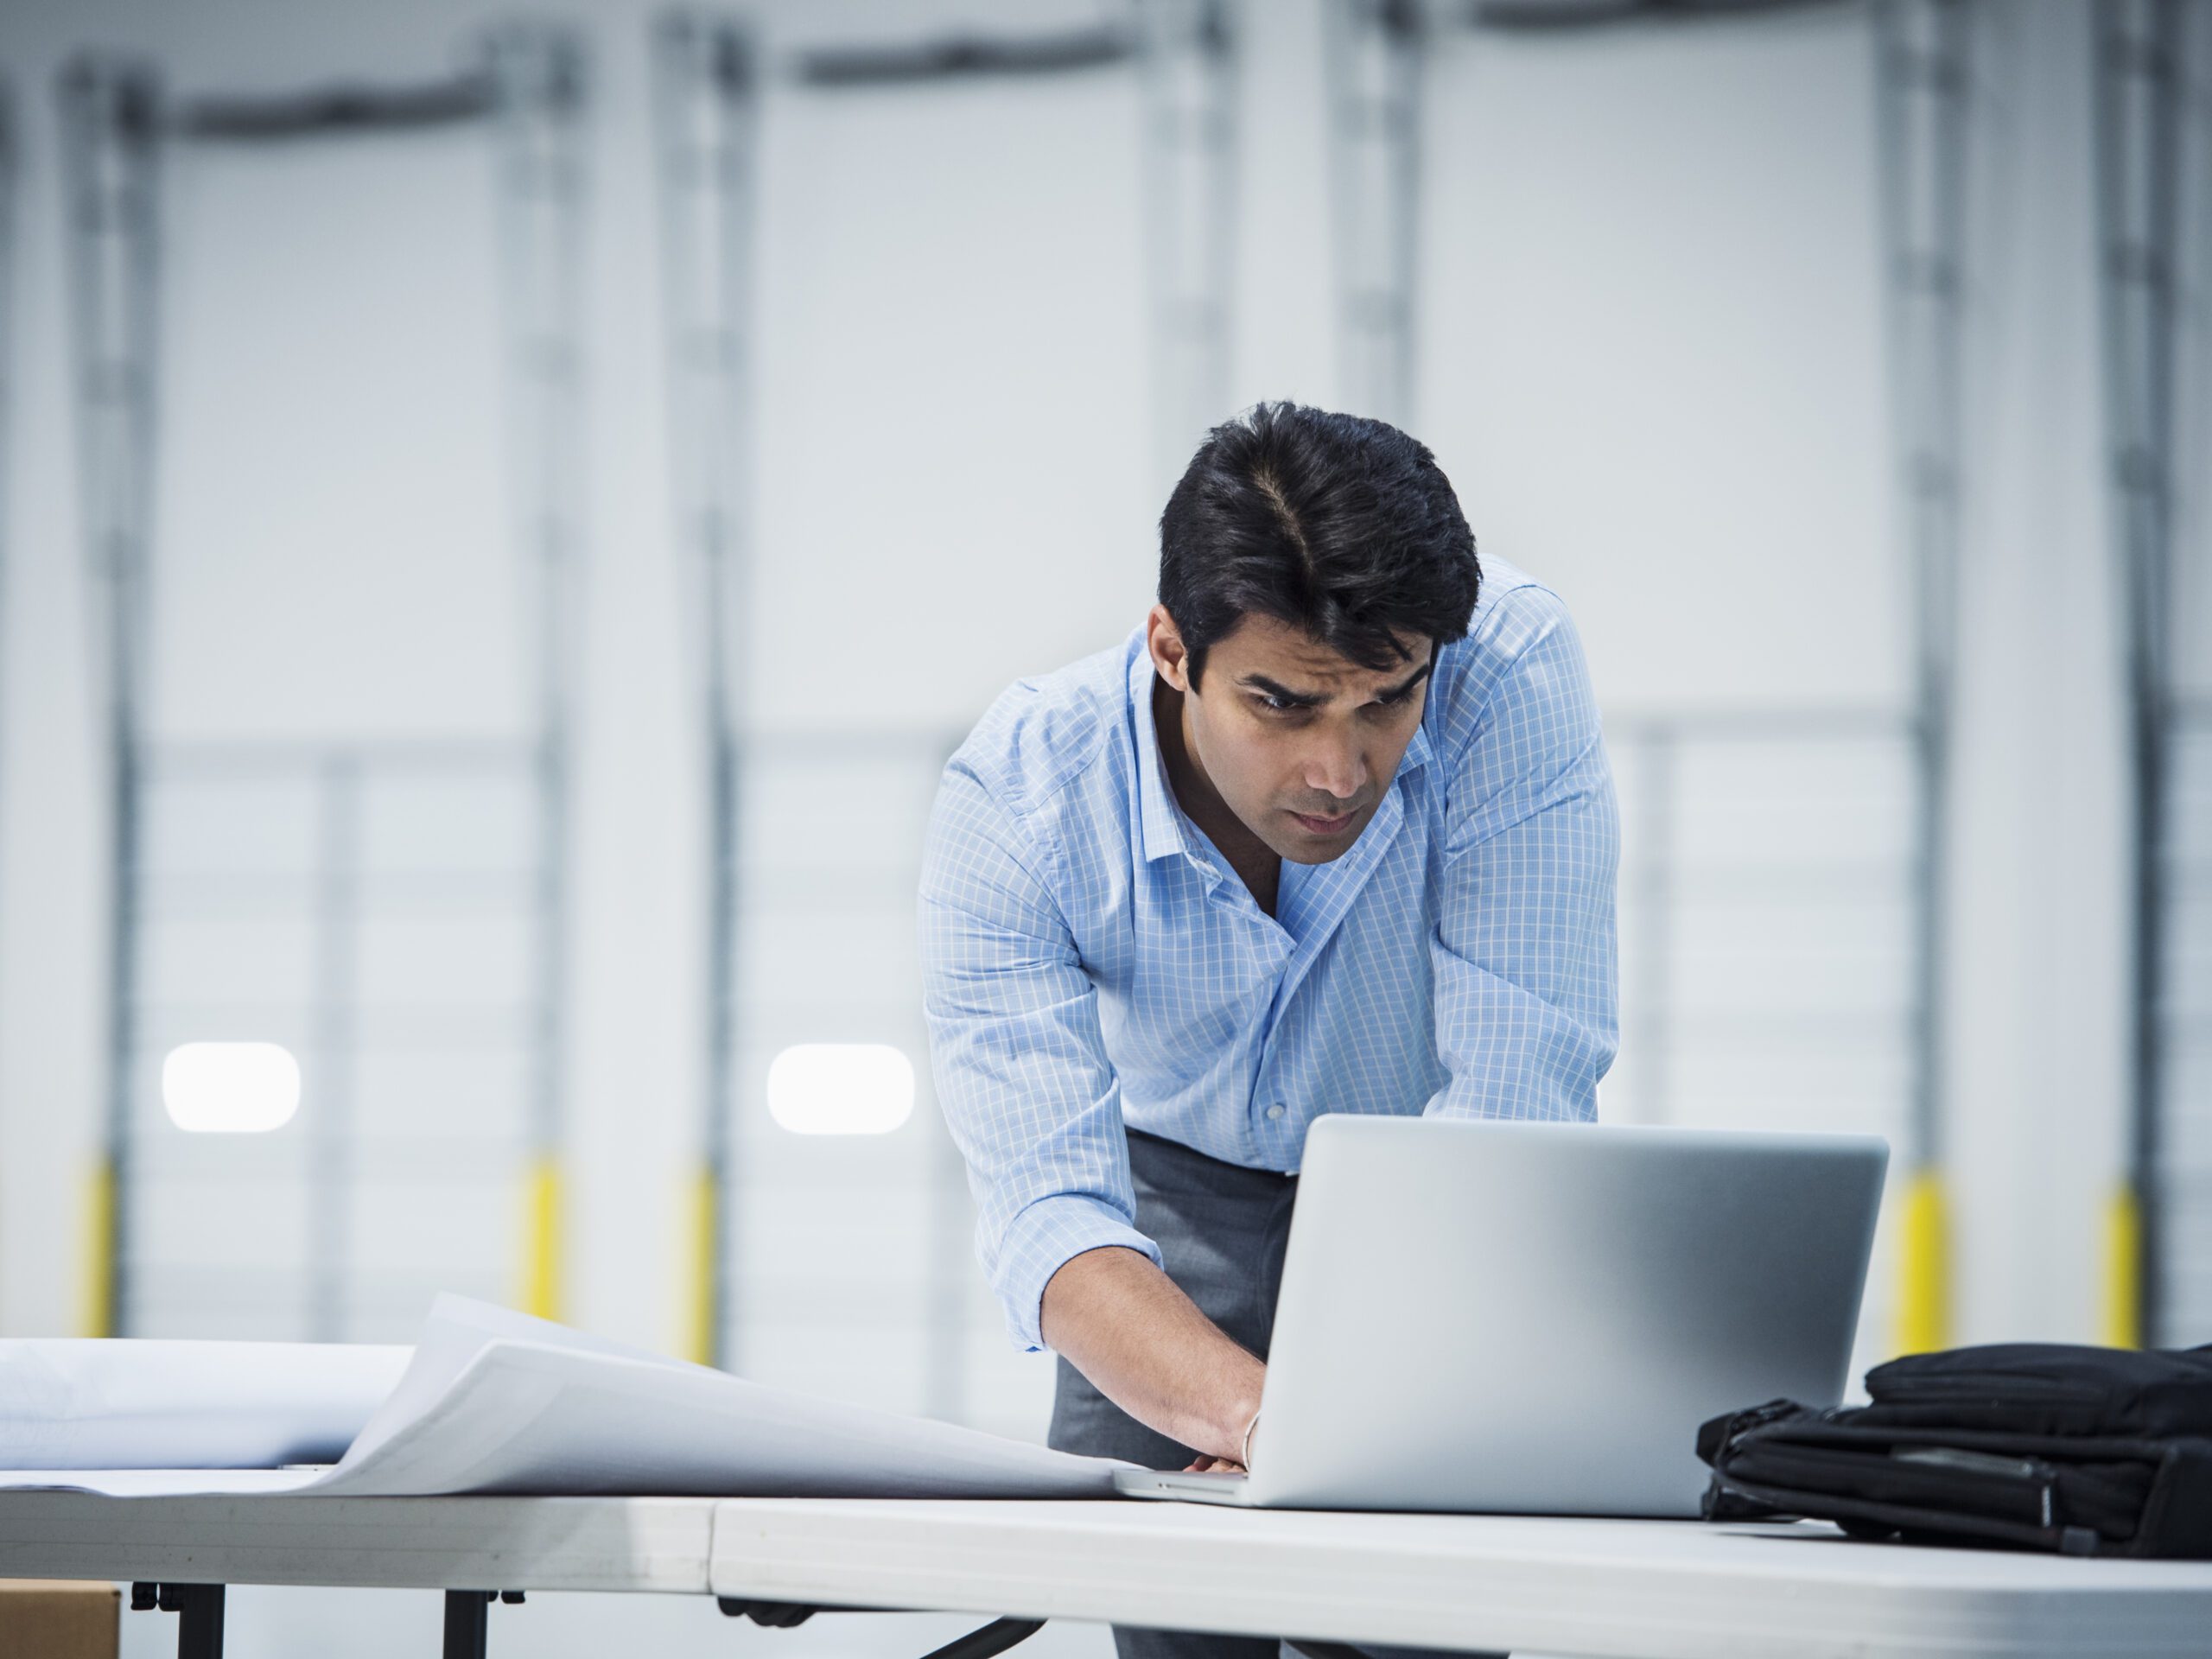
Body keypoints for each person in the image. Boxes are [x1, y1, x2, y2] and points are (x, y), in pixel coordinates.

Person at [918, 403, 1618, 1658]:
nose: (1341, 770)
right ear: (1172, 648)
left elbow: (1521, 1090)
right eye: (1284, 706)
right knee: (1188, 1612)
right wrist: (1259, 1414)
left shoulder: (1504, 666)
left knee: (1421, 1619)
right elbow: (1053, 1220)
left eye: (1386, 704)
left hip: (1427, 1181)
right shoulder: (1018, 804)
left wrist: (1368, 1427)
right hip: (1167, 1202)